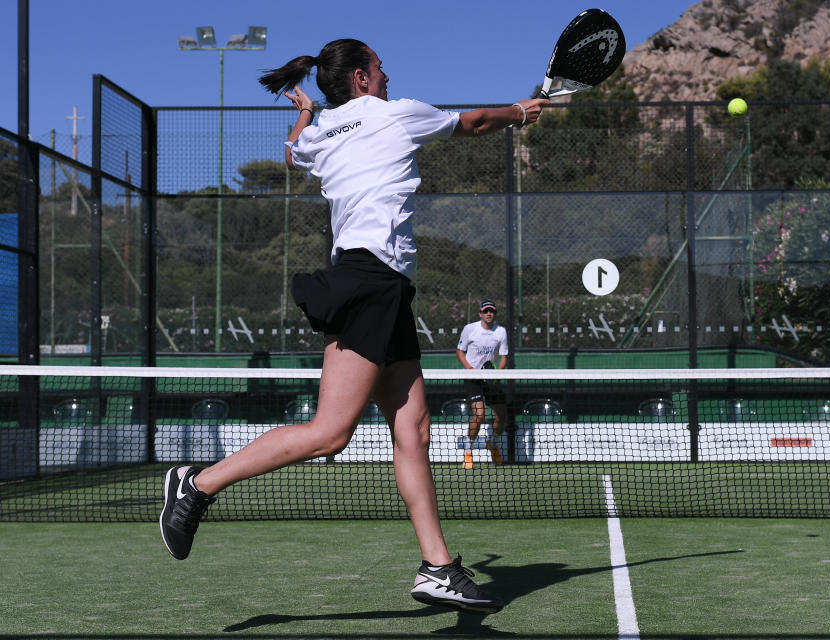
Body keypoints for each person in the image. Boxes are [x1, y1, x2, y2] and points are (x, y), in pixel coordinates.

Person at [158, 38, 547, 615]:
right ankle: (198, 484)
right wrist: (520, 112)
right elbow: (472, 122)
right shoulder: (392, 113)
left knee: (412, 429)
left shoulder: (321, 132)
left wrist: (305, 116)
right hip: (370, 282)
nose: (389, 76)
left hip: (382, 285)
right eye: (382, 69)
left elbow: (292, 154)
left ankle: (438, 567)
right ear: (362, 78)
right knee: (330, 433)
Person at [456, 300, 509, 469]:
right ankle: (468, 452)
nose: (489, 314)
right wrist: (470, 369)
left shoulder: (501, 332)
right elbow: (459, 351)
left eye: (491, 311)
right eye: (485, 311)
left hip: (491, 378)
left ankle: (492, 444)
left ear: (494, 314)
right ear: (480, 313)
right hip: (473, 377)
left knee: (502, 416)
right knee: (479, 415)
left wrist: (496, 374)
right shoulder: (470, 329)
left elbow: (504, 357)